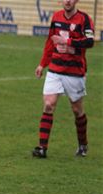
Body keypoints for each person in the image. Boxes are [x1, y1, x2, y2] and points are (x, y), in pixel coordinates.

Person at [32, 0, 94, 158]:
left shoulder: (84, 19)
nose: (67, 1)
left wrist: (67, 42)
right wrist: (42, 64)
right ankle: (42, 148)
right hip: (55, 69)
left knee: (77, 110)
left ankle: (83, 145)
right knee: (48, 104)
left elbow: (90, 41)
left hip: (75, 72)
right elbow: (50, 42)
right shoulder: (56, 17)